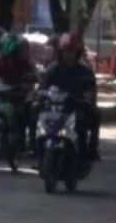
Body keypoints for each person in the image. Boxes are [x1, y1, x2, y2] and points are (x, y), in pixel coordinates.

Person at [40, 32, 99, 161]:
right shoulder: (53, 69)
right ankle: (36, 150)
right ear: (60, 52)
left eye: (72, 51)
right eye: (66, 51)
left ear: (78, 53)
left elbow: (91, 89)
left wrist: (87, 98)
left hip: (76, 107)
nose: (69, 55)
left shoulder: (85, 71)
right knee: (35, 114)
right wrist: (37, 96)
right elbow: (43, 86)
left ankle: (88, 152)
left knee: (89, 118)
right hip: (55, 107)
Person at [0, 32, 41, 153]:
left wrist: (25, 81)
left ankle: (27, 143)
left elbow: (34, 76)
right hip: (0, 96)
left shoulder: (23, 63)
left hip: (18, 95)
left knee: (24, 114)